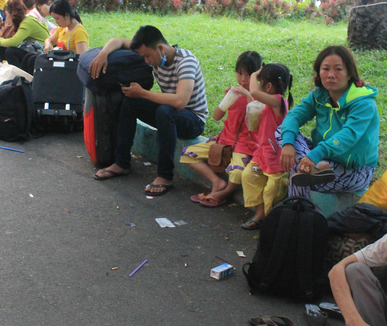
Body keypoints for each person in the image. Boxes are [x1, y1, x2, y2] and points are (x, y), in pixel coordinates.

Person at [90, 26, 208, 196]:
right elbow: (119, 41)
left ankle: (165, 176)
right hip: (169, 112)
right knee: (131, 102)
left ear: (160, 48)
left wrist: (143, 93)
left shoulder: (186, 61)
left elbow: (180, 101)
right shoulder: (153, 51)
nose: (146, 61)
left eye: (147, 56)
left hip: (193, 120)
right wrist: (103, 54)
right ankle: (121, 163)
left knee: (164, 111)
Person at [278, 45, 379, 198]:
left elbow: (348, 136)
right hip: (323, 161)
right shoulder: (319, 95)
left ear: (349, 73)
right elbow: (294, 116)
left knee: (300, 175)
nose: (331, 75)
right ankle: (313, 169)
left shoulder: (364, 104)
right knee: (282, 132)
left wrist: (314, 156)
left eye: (338, 69)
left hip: (355, 170)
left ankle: (297, 213)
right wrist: (288, 144)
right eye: (325, 69)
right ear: (319, 73)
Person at [181, 51, 263, 207]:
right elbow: (217, 116)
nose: (243, 79)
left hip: (245, 146)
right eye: (240, 73)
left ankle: (225, 194)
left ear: (258, 75)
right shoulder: (234, 93)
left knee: (238, 173)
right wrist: (227, 100)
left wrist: (248, 97)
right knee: (187, 154)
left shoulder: (261, 97)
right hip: (224, 141)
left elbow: (256, 123)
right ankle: (217, 182)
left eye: (249, 75)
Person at [240, 63, 293, 229]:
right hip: (262, 153)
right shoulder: (270, 102)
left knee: (272, 190)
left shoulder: (278, 101)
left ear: (268, 86)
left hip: (276, 159)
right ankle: (260, 212)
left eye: (259, 81)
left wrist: (255, 73)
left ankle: (270, 217)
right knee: (249, 176)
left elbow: (254, 92)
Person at [0, 0, 49, 71]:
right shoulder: (26, 20)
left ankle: (18, 76)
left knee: (11, 51)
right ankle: (5, 71)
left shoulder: (27, 22)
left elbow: (14, 42)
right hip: (32, 49)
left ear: (10, 14)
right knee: (1, 49)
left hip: (40, 53)